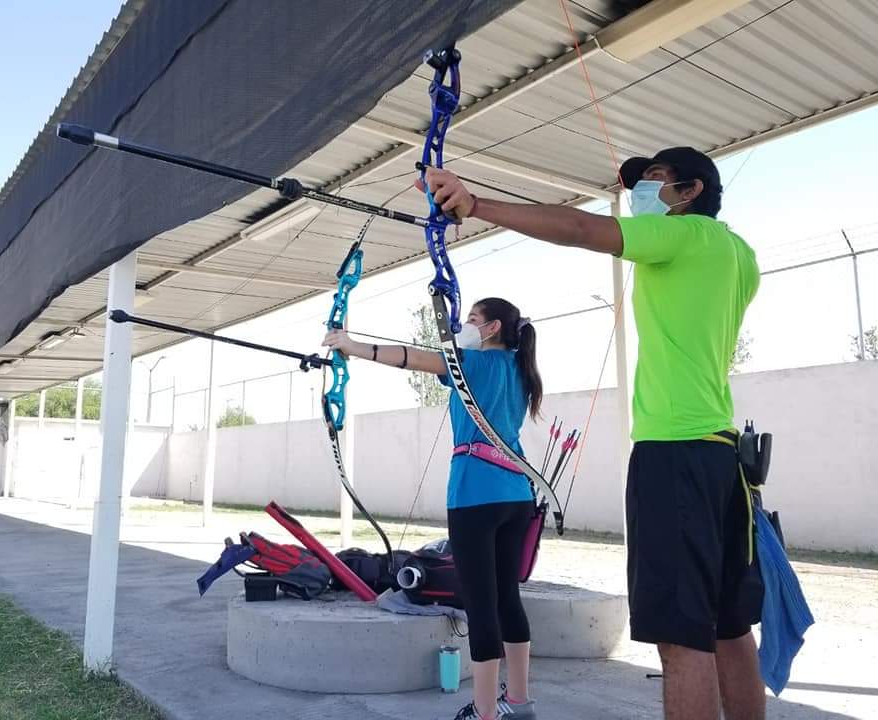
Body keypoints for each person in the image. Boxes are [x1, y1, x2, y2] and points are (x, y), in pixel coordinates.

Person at [417, 147, 764, 720]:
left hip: (673, 453)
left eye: (655, 181)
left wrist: (475, 203)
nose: (641, 194)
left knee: (682, 638)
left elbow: (580, 227)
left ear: (690, 192)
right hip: (723, 458)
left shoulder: (683, 237)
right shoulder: (740, 255)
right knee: (728, 627)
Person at [324, 297, 542, 720]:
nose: (464, 325)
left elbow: (413, 359)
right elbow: (434, 358)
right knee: (507, 600)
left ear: (492, 328)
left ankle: (484, 712)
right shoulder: (521, 368)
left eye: (473, 320)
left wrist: (353, 346)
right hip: (516, 495)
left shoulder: (473, 366)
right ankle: (519, 701)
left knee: (480, 606)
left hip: (475, 496)